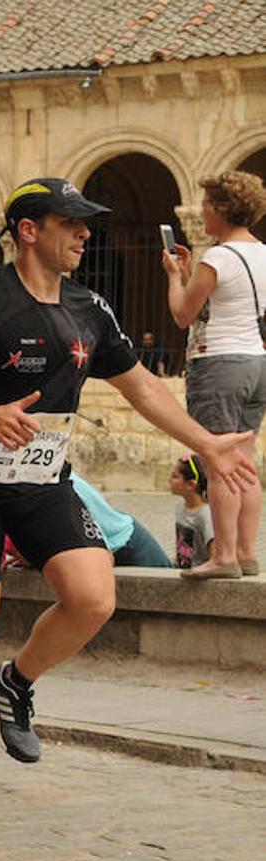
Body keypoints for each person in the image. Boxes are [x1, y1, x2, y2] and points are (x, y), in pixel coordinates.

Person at [0, 176, 256, 794]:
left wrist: (206, 442)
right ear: (29, 231)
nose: (85, 233)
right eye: (72, 223)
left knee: (94, 597)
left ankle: (12, 682)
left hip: (43, 478)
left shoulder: (90, 309)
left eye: (86, 223)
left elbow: (141, 386)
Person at [163, 170, 266, 579]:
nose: (201, 210)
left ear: (222, 208)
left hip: (219, 362)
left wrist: (174, 276)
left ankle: (222, 556)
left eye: (206, 203)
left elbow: (183, 314)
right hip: (256, 362)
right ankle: (245, 552)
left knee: (217, 459)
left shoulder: (218, 257)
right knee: (245, 461)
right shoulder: (263, 252)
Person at [171, 454, 213, 569]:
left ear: (191, 484)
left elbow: (215, 554)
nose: (169, 481)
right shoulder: (180, 505)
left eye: (175, 477)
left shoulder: (206, 515)